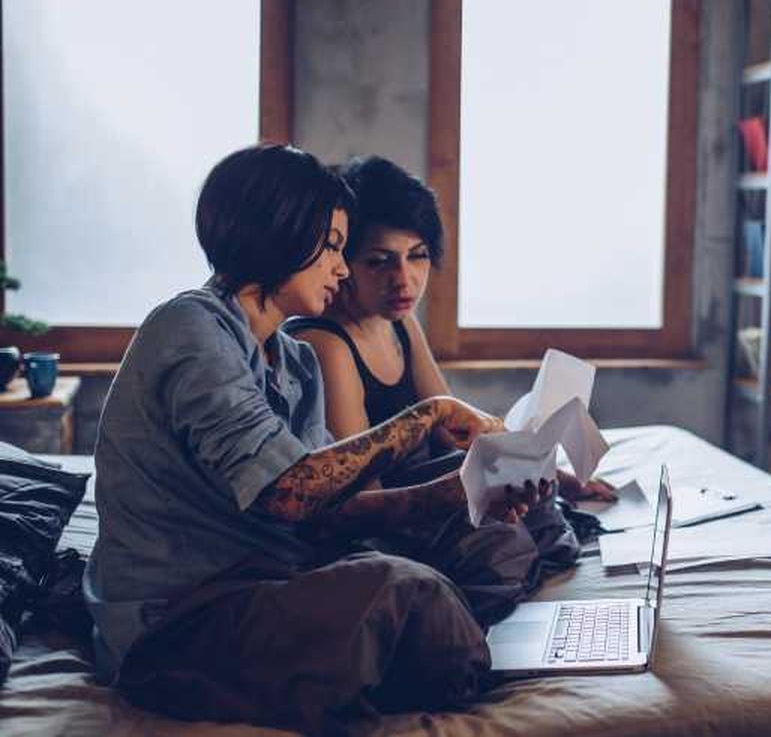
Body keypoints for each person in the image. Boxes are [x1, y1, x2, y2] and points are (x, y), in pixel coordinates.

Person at [83, 145, 544, 734]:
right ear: (277, 235)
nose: (343, 268)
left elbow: (330, 511)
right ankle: (436, 662)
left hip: (274, 576)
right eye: (330, 245)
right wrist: (424, 419)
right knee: (404, 590)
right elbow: (290, 493)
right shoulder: (190, 328)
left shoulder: (295, 363)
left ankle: (437, 655)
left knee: (475, 544)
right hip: (180, 616)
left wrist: (461, 494)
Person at [286, 155, 616, 502]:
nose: (403, 280)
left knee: (532, 497)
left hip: (425, 489)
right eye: (378, 261)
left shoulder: (399, 323)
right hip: (387, 511)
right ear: (342, 263)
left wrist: (555, 478)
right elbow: (362, 492)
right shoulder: (326, 344)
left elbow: (455, 430)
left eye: (418, 255)